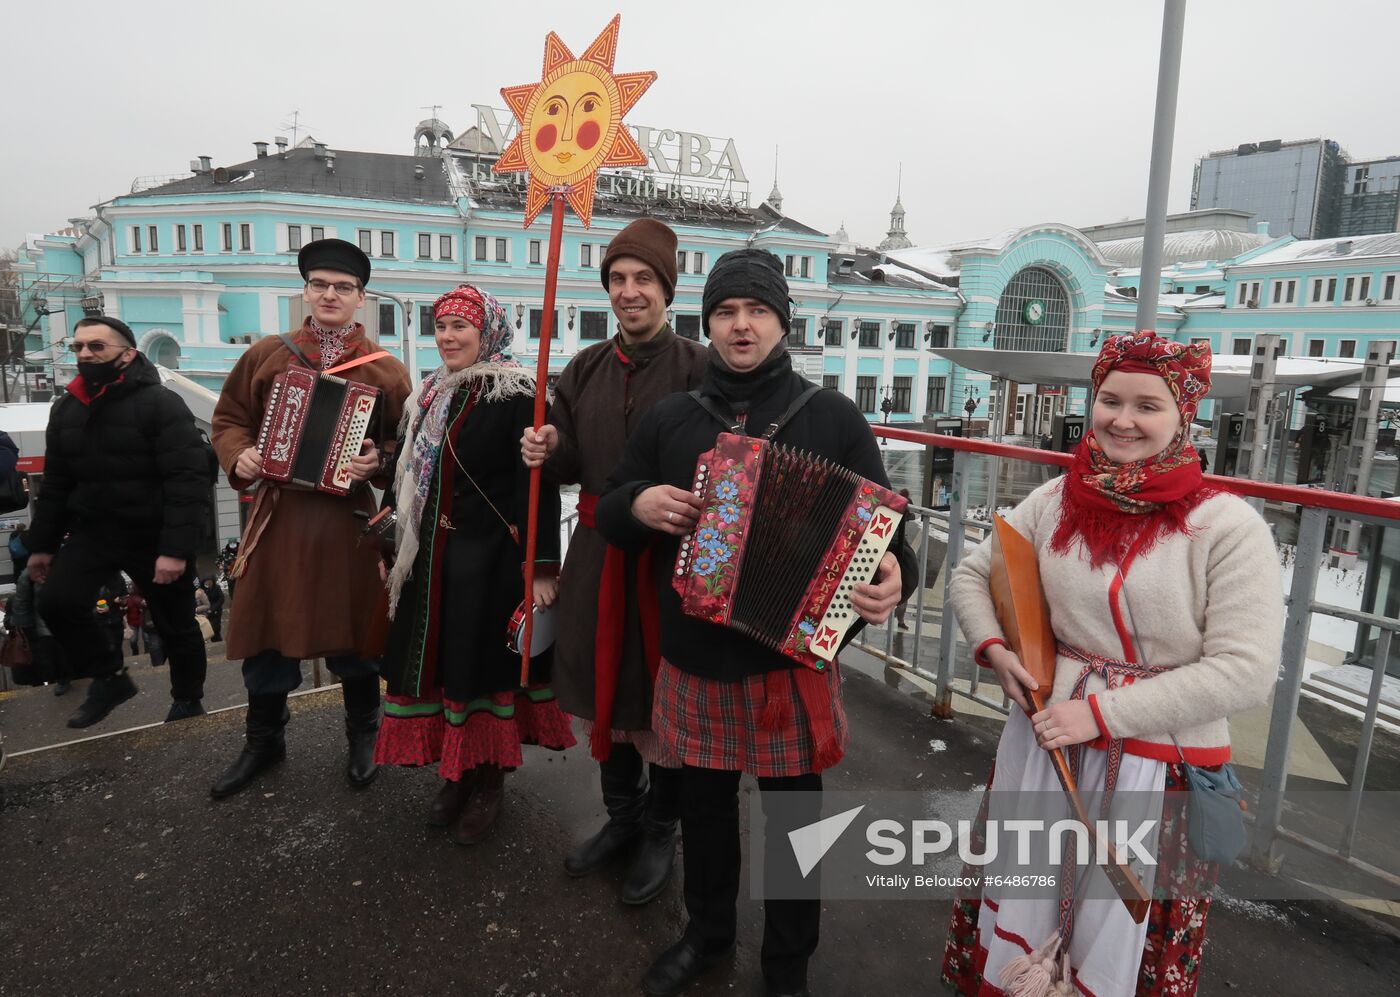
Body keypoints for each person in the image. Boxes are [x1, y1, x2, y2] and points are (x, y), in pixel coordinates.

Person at [595, 249, 916, 997]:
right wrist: (639, 502)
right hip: (697, 655)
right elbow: (610, 508)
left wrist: (896, 574)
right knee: (703, 814)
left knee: (797, 827)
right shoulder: (673, 417)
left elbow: (888, 529)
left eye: (758, 311)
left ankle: (787, 966)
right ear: (707, 323)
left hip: (788, 666)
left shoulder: (831, 416)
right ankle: (706, 936)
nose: (742, 325)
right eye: (726, 312)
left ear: (782, 322)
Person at [940, 332, 1284, 997]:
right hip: (1049, 747)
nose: (1123, 420)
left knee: (1125, 938)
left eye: (1147, 406)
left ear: (1184, 416)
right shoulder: (1055, 500)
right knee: (1028, 896)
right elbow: (972, 576)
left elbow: (1244, 668)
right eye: (1110, 400)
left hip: (1160, 764)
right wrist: (995, 649)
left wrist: (1101, 713)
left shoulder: (1228, 527)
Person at [521, 218, 708, 904]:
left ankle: (661, 830)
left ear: (667, 289)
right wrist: (549, 448)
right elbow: (571, 463)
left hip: (674, 559)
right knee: (608, 684)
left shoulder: (701, 368)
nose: (630, 292)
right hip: (599, 552)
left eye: (644, 279)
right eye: (619, 279)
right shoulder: (583, 368)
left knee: (664, 694)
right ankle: (623, 819)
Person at [209, 238, 411, 799]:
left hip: (347, 523)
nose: (330, 294)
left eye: (343, 287)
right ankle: (263, 741)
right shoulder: (267, 355)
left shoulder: (386, 370)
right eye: (319, 285)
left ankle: (364, 735)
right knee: (267, 634)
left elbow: (406, 446)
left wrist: (377, 462)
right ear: (305, 292)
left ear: (361, 298)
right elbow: (229, 420)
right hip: (279, 519)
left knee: (355, 636)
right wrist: (240, 455)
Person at [374, 283, 574, 844]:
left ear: (487, 332)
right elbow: (410, 473)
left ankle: (489, 781)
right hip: (433, 564)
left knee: (482, 672)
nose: (447, 336)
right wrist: (392, 541)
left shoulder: (517, 394)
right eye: (441, 326)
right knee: (444, 669)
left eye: (460, 326)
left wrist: (540, 565)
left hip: (490, 564)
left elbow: (538, 487)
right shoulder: (429, 393)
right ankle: (457, 773)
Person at [26, 315, 211, 728]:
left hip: (153, 536)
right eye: (78, 347)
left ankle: (187, 699)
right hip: (94, 532)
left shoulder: (160, 403)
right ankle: (109, 678)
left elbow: (187, 480)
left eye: (97, 346)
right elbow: (56, 484)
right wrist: (42, 545)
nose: (85, 354)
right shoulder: (67, 408)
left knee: (176, 625)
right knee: (55, 602)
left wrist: (175, 550)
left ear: (127, 355)